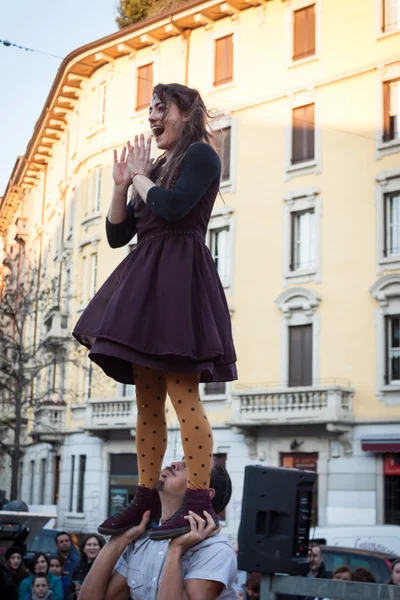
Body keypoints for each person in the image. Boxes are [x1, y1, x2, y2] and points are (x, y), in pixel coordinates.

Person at [72, 82, 237, 540]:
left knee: (184, 396)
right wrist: (123, 185)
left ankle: (199, 499)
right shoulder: (158, 166)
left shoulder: (201, 156)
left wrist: (142, 179)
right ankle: (146, 498)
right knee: (146, 402)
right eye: (150, 109)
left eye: (161, 108)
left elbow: (172, 206)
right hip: (147, 279)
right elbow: (116, 234)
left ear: (187, 113)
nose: (152, 116)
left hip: (178, 282)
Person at [77, 458, 237, 600]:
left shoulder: (215, 551)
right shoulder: (143, 540)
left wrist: (175, 549)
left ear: (204, 494)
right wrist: (119, 539)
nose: (174, 464)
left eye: (188, 466)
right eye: (180, 460)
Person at [66, 535, 105, 600]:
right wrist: (76, 594)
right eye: (89, 545)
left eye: (95, 545)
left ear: (100, 548)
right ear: (83, 549)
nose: (92, 547)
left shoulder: (106, 568)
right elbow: (68, 594)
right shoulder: (77, 569)